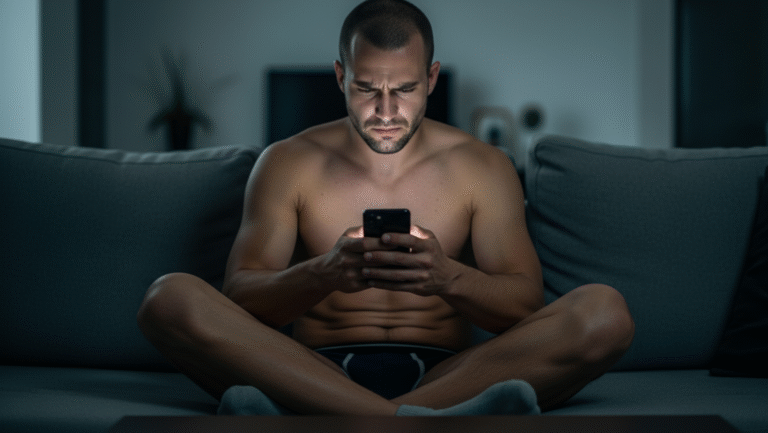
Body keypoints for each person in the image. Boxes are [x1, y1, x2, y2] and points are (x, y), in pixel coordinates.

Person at [137, 0, 634, 416]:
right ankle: (409, 422)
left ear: (432, 79)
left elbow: (524, 307)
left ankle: (342, 419)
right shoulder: (286, 162)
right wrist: (323, 275)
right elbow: (240, 299)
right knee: (168, 298)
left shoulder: (483, 166)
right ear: (340, 76)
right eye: (367, 88)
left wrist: (447, 279)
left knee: (604, 313)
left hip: (449, 371)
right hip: (314, 367)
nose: (386, 112)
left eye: (405, 89)